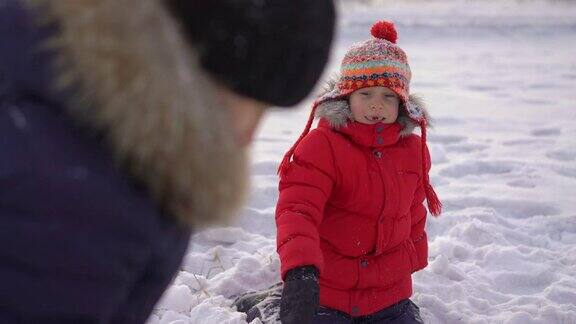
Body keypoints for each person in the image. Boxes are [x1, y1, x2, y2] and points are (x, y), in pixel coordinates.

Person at [0, 0, 335, 322]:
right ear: (204, 63)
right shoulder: (81, 195)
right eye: (251, 102)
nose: (250, 133)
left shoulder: (111, 127)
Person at [271, 21, 442, 323]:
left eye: (388, 96)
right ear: (346, 96)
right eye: (365, 94)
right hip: (327, 293)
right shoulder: (322, 145)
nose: (377, 106)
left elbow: (414, 212)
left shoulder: (412, 150)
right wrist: (301, 271)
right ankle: (269, 303)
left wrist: (410, 258)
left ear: (402, 101)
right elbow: (297, 211)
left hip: (388, 295)